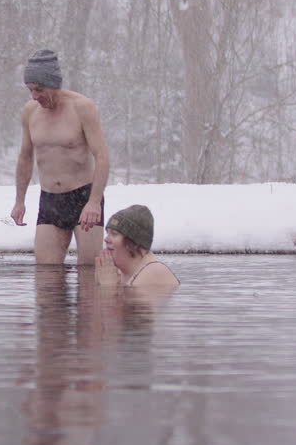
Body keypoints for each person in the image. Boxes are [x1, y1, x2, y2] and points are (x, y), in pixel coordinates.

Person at [10, 49, 111, 265]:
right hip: (50, 200)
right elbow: (25, 157)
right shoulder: (30, 112)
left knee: (89, 272)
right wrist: (19, 201)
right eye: (30, 90)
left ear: (53, 84)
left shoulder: (82, 107)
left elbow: (102, 156)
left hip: (83, 197)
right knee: (47, 275)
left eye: (39, 89)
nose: (34, 96)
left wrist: (94, 202)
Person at [95, 204, 179, 288]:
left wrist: (108, 287)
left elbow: (110, 300)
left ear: (134, 242)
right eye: (107, 233)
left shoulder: (152, 272)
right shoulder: (119, 272)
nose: (106, 239)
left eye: (114, 234)